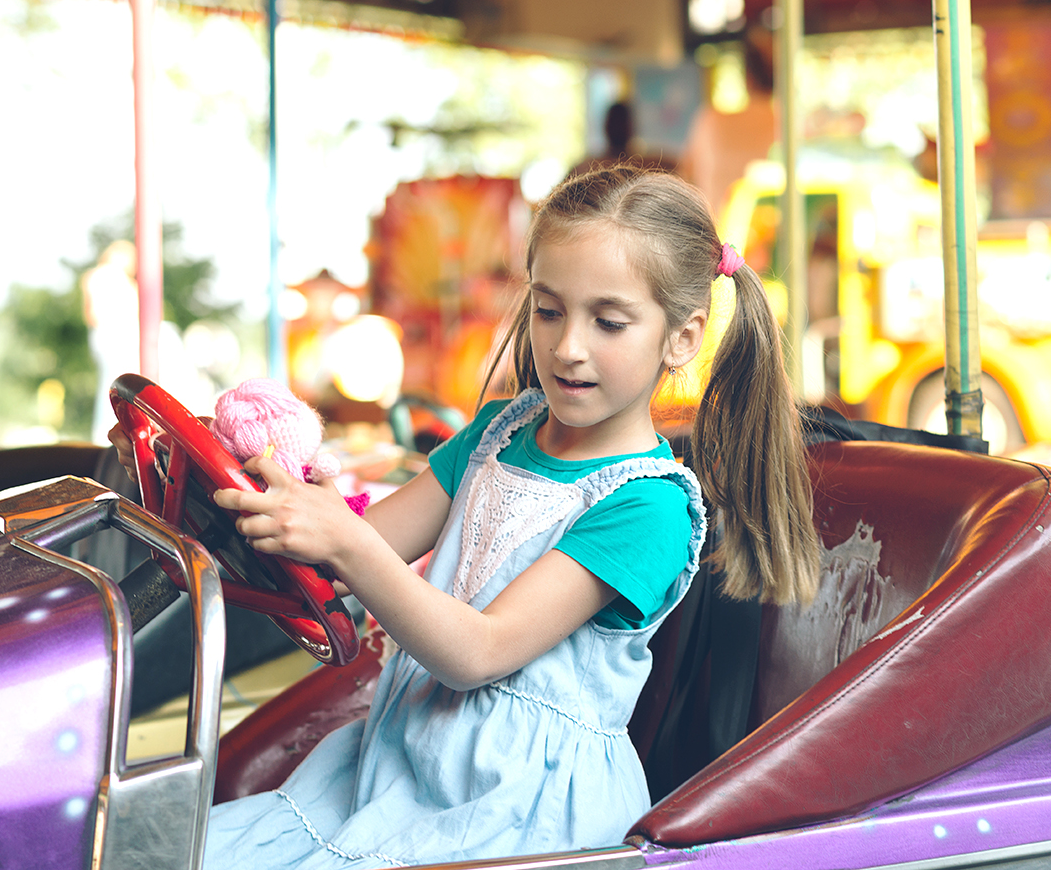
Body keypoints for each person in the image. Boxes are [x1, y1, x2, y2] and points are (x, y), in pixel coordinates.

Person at [119, 168, 820, 867]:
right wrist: (236, 487)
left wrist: (346, 542)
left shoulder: (647, 506)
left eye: (607, 321)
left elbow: (477, 652)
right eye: (549, 310)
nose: (568, 346)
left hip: (518, 811)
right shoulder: (496, 434)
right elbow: (352, 553)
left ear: (682, 337)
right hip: (398, 770)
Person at [82, 240, 141, 442]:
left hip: (119, 337)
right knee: (115, 386)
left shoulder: (122, 281)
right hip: (112, 337)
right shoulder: (103, 276)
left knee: (119, 386)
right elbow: (93, 314)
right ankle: (108, 433)